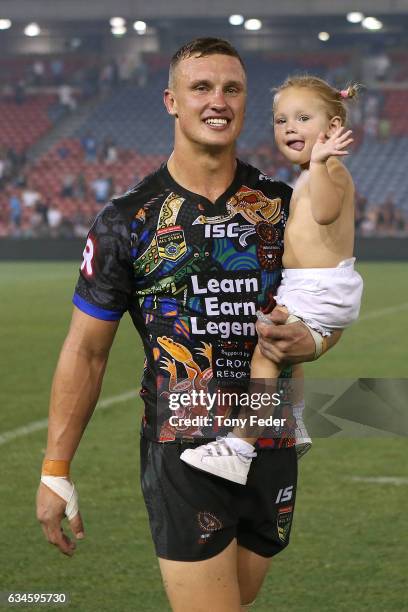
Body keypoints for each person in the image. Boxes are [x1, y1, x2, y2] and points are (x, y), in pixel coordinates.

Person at [36, 39, 342, 612]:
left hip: (269, 436)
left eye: (232, 88)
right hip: (183, 445)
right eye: (202, 88)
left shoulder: (282, 205)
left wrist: (317, 341)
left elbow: (325, 307)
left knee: (237, 598)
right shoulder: (128, 220)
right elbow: (86, 351)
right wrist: (56, 470)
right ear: (171, 100)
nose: (218, 101)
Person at [181, 75, 363, 485]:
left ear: (332, 129)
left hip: (319, 287)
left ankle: (240, 447)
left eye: (302, 117)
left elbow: (327, 213)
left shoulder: (330, 170)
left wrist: (319, 163)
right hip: (305, 286)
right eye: (281, 120)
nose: (290, 128)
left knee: (268, 353)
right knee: (275, 330)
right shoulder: (310, 174)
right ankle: (294, 420)